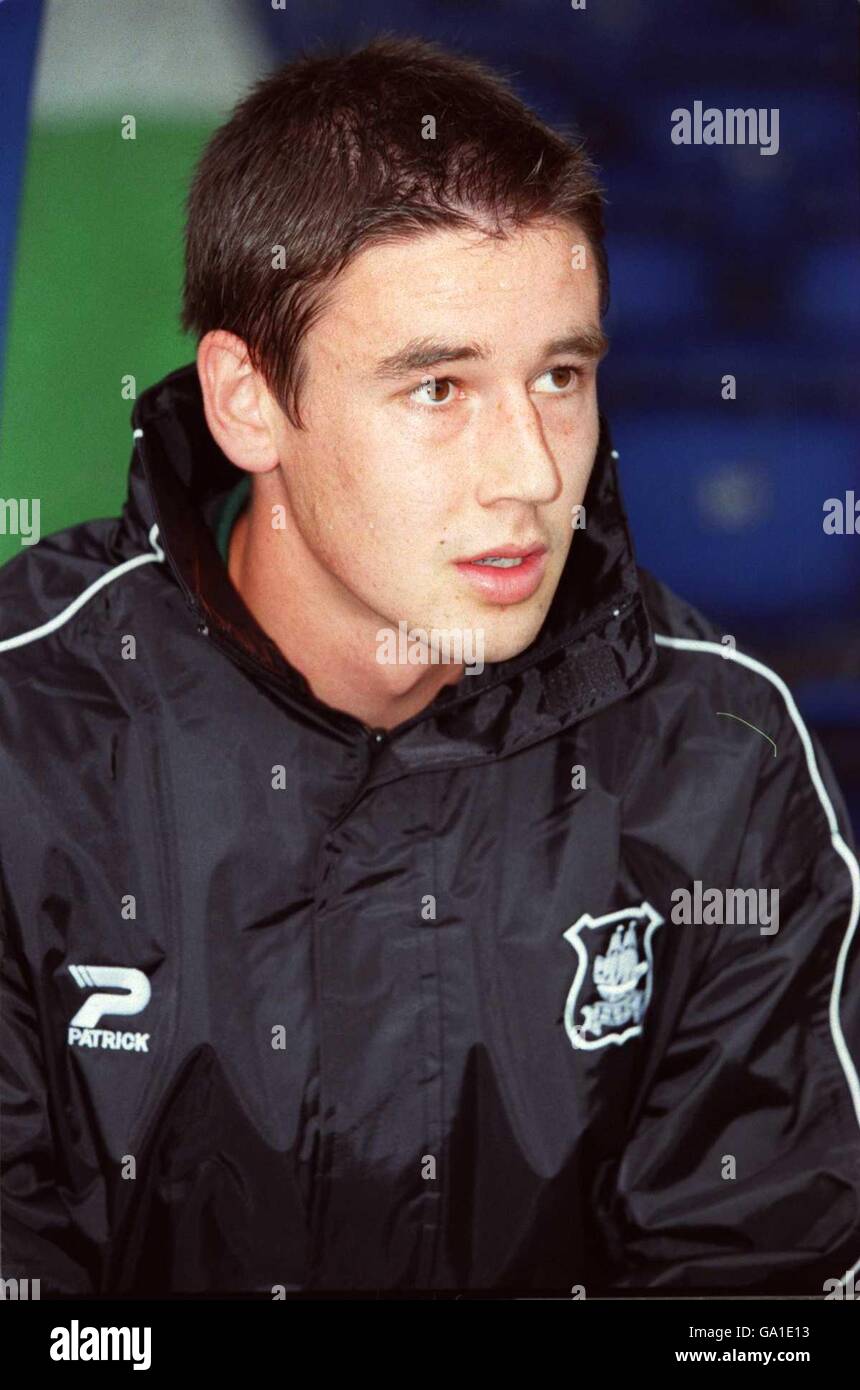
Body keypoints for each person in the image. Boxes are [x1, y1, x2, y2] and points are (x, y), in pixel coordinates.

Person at [1, 35, 858, 1298]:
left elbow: (750, 1299)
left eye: (559, 376)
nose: (528, 471)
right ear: (247, 401)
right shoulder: (28, 727)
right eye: (437, 388)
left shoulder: (717, 754)